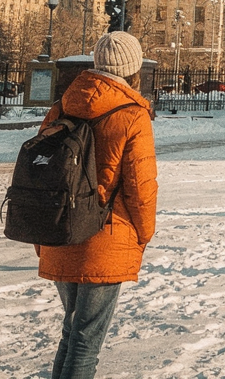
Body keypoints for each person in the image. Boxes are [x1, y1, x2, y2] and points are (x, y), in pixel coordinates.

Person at [36, 31, 157, 379]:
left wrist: (41, 237)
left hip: (59, 230)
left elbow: (43, 174)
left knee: (72, 333)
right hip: (105, 238)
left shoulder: (63, 105)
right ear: (133, 67)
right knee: (86, 340)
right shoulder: (132, 114)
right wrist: (143, 234)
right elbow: (141, 187)